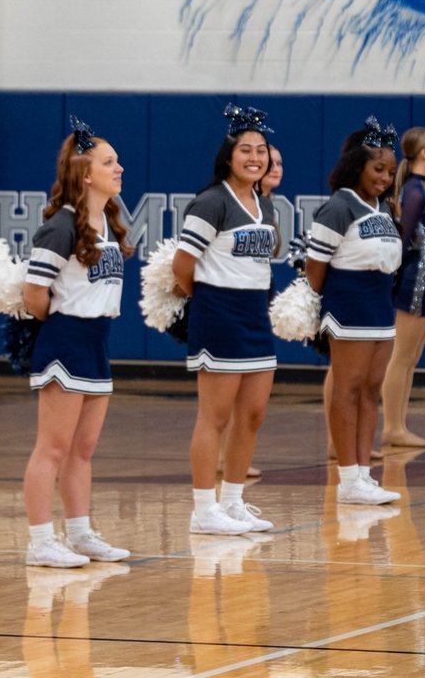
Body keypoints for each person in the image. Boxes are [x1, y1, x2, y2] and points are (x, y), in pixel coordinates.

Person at [21, 117, 134, 568]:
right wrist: (61, 325)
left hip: (97, 342)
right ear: (85, 173)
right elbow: (34, 294)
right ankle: (40, 541)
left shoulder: (107, 223)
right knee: (52, 447)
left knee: (82, 450)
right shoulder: (61, 225)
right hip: (66, 341)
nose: (119, 168)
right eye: (109, 162)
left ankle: (81, 533)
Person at [173, 105, 278, 536]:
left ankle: (233, 501)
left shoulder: (264, 204)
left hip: (255, 315)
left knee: (252, 414)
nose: (255, 158)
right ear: (228, 156)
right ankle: (204, 509)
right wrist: (208, 299)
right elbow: (183, 264)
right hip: (218, 315)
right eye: (246, 150)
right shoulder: (212, 201)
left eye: (261, 151)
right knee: (213, 416)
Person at [305, 118, 403, 506]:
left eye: (391, 171)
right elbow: (315, 268)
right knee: (347, 390)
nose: (384, 177)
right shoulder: (339, 206)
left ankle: (364, 474)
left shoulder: (381, 206)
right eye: (377, 168)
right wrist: (323, 305)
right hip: (348, 304)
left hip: (380, 305)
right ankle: (347, 478)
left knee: (370, 392)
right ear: (356, 165)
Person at [217, 142, 284, 481]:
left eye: (278, 163)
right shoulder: (225, 203)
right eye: (267, 161)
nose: (273, 167)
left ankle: (232, 459)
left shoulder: (267, 207)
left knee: (251, 399)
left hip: (259, 291)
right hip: (229, 303)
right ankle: (220, 456)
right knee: (227, 390)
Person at [380, 126, 425, 449]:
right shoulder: (414, 191)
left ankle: (399, 425)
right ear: (423, 152)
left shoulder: (423, 188)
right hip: (417, 280)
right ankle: (392, 427)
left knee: (412, 357)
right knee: (402, 356)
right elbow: (401, 241)